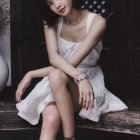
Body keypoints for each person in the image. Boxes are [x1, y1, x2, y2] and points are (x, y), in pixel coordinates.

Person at [15, 0, 128, 140]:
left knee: (56, 75)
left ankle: (69, 137)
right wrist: (30, 73)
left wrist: (80, 78)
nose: (56, 5)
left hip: (86, 84)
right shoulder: (51, 22)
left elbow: (71, 63)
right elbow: (55, 60)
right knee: (50, 118)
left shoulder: (97, 22)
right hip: (60, 80)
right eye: (50, 3)